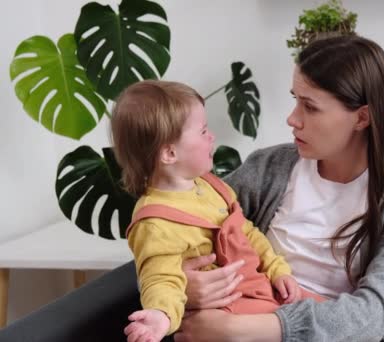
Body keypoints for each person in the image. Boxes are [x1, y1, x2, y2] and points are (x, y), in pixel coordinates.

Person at [173, 35, 384, 342]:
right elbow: (174, 228)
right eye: (295, 99)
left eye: (310, 107)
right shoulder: (268, 168)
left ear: (361, 117)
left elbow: (372, 316)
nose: (292, 119)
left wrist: (248, 329)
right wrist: (182, 286)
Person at [110, 80, 320, 342]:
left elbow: (248, 233)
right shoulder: (154, 223)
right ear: (169, 153)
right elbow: (160, 278)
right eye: (203, 131)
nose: (212, 137)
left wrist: (278, 270)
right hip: (227, 310)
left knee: (319, 314)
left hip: (259, 290)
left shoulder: (212, 186)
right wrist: (160, 315)